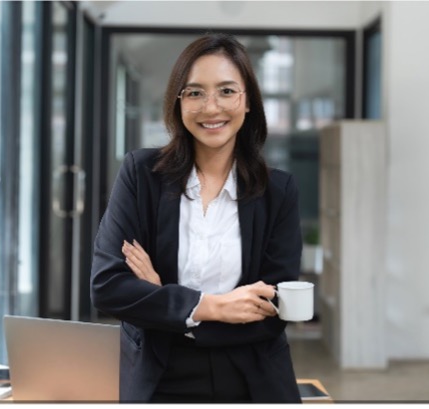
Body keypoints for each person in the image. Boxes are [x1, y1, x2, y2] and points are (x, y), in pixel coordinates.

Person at [91, 33, 302, 403]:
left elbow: (274, 309)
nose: (211, 108)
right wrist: (216, 306)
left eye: (226, 91)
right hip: (157, 374)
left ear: (248, 100)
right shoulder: (141, 175)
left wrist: (160, 299)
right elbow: (108, 287)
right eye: (195, 93)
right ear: (178, 102)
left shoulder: (278, 191)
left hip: (252, 377)